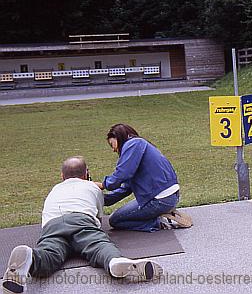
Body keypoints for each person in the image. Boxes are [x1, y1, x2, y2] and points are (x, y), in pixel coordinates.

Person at [2, 157, 162, 294]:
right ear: (86, 174)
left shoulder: (55, 189)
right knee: (100, 246)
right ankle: (114, 261)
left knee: (49, 255)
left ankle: (31, 257)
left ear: (62, 176)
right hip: (81, 220)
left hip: (52, 226)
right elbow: (98, 219)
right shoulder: (93, 187)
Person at [94, 123, 192, 232]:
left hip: (159, 200)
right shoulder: (139, 147)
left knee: (115, 220)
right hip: (166, 198)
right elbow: (126, 188)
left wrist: (103, 185)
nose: (113, 150)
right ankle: (160, 214)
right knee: (118, 216)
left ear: (119, 137)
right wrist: (101, 200)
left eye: (112, 145)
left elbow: (122, 174)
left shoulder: (133, 144)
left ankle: (159, 222)